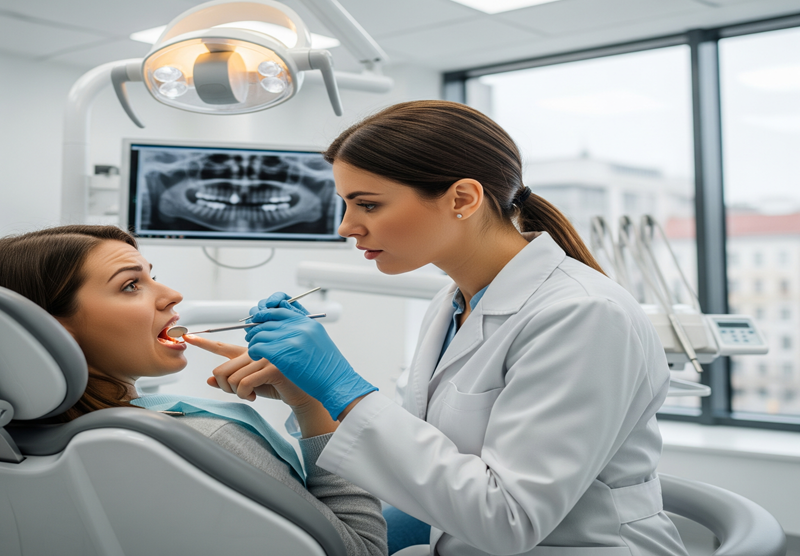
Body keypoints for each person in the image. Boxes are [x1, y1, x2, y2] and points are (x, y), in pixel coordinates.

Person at [218, 101, 690, 556]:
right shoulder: (451, 302)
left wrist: (345, 388)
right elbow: (438, 467)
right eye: (345, 204)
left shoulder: (584, 314)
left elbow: (510, 519)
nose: (347, 227)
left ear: (463, 198)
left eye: (368, 205)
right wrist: (314, 396)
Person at [0, 225, 387, 556]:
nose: (171, 294)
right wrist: (311, 404)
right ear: (49, 331)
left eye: (152, 276)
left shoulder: (17, 446)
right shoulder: (205, 437)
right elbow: (363, 548)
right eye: (131, 285)